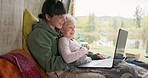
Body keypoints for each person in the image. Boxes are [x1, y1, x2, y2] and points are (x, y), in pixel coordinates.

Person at [27, 0, 68, 75]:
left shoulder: (57, 31)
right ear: (48, 17)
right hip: (56, 73)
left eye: (64, 16)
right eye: (60, 16)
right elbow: (50, 64)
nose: (64, 20)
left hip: (66, 67)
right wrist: (74, 58)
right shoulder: (38, 35)